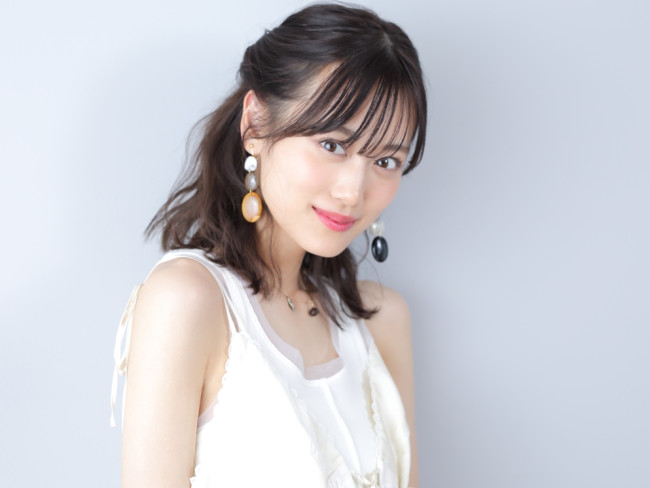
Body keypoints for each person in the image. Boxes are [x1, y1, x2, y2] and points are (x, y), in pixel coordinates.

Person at [111, 3, 427, 487]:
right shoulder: (189, 300)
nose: (353, 192)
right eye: (332, 145)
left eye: (386, 161)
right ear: (255, 124)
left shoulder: (383, 320)